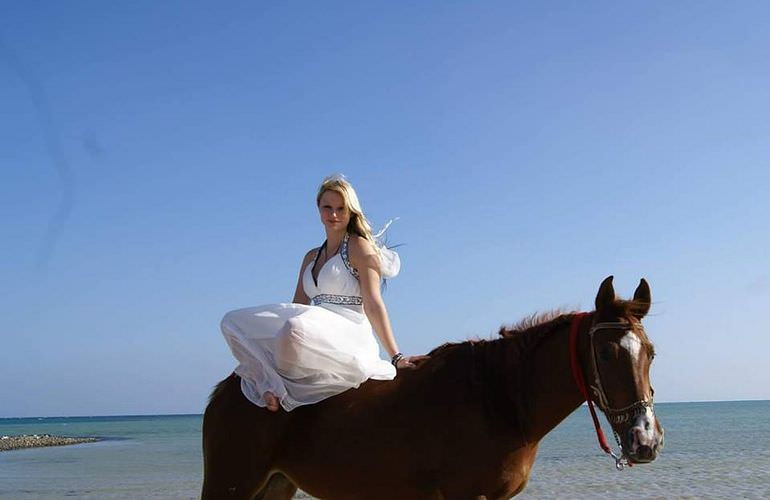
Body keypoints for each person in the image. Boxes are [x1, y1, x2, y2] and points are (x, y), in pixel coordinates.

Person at [221, 175, 427, 412]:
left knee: (294, 328)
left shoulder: (359, 247)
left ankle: (282, 386)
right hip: (311, 325)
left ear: (351, 212)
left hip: (348, 330)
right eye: (327, 207)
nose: (334, 214)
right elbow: (297, 303)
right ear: (318, 209)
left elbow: (373, 304)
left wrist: (396, 356)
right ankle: (270, 384)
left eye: (341, 208)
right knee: (232, 322)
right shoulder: (310, 257)